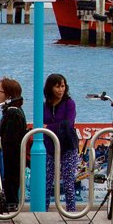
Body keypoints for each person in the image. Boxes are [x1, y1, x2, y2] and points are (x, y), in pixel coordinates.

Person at [43, 73, 78, 212]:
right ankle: (42, 210)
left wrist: (48, 127)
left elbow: (67, 124)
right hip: (50, 146)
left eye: (63, 86)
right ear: (50, 88)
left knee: (68, 182)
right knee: (47, 181)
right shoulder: (45, 105)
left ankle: (71, 211)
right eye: (57, 86)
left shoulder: (70, 103)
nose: (61, 90)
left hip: (68, 145)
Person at [0, 77, 26, 212]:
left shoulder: (12, 113)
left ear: (8, 94)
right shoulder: (14, 111)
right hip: (12, 160)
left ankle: (10, 205)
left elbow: (11, 143)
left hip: (11, 161)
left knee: (10, 184)